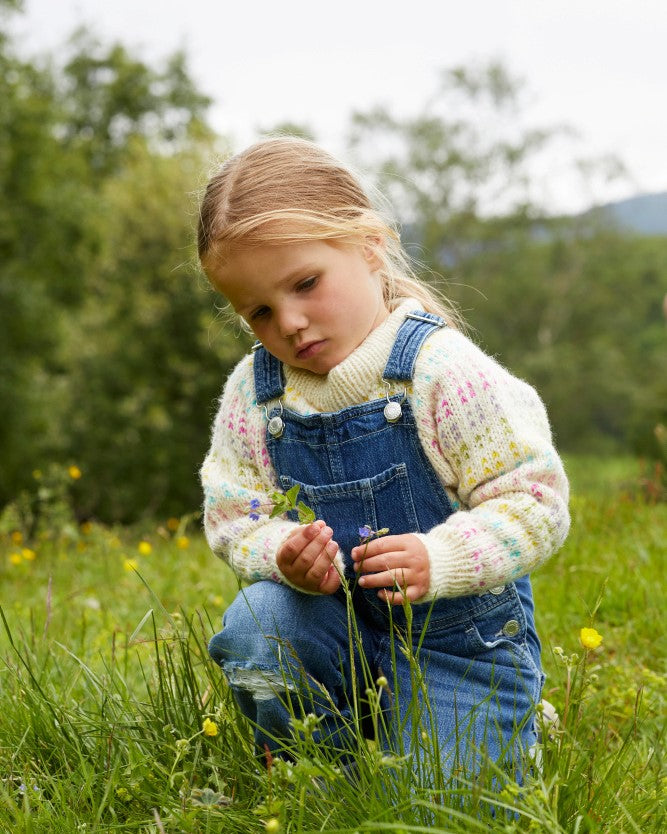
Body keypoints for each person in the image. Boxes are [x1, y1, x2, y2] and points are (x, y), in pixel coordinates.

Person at [197, 136, 570, 782]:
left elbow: (533, 500)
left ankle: (512, 721)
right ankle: (317, 767)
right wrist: (283, 553)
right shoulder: (255, 394)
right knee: (259, 622)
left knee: (441, 805)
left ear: (370, 245)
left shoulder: (440, 372)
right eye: (257, 310)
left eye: (305, 284)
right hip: (335, 631)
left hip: (458, 646)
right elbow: (233, 513)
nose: (287, 322)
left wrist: (440, 557)